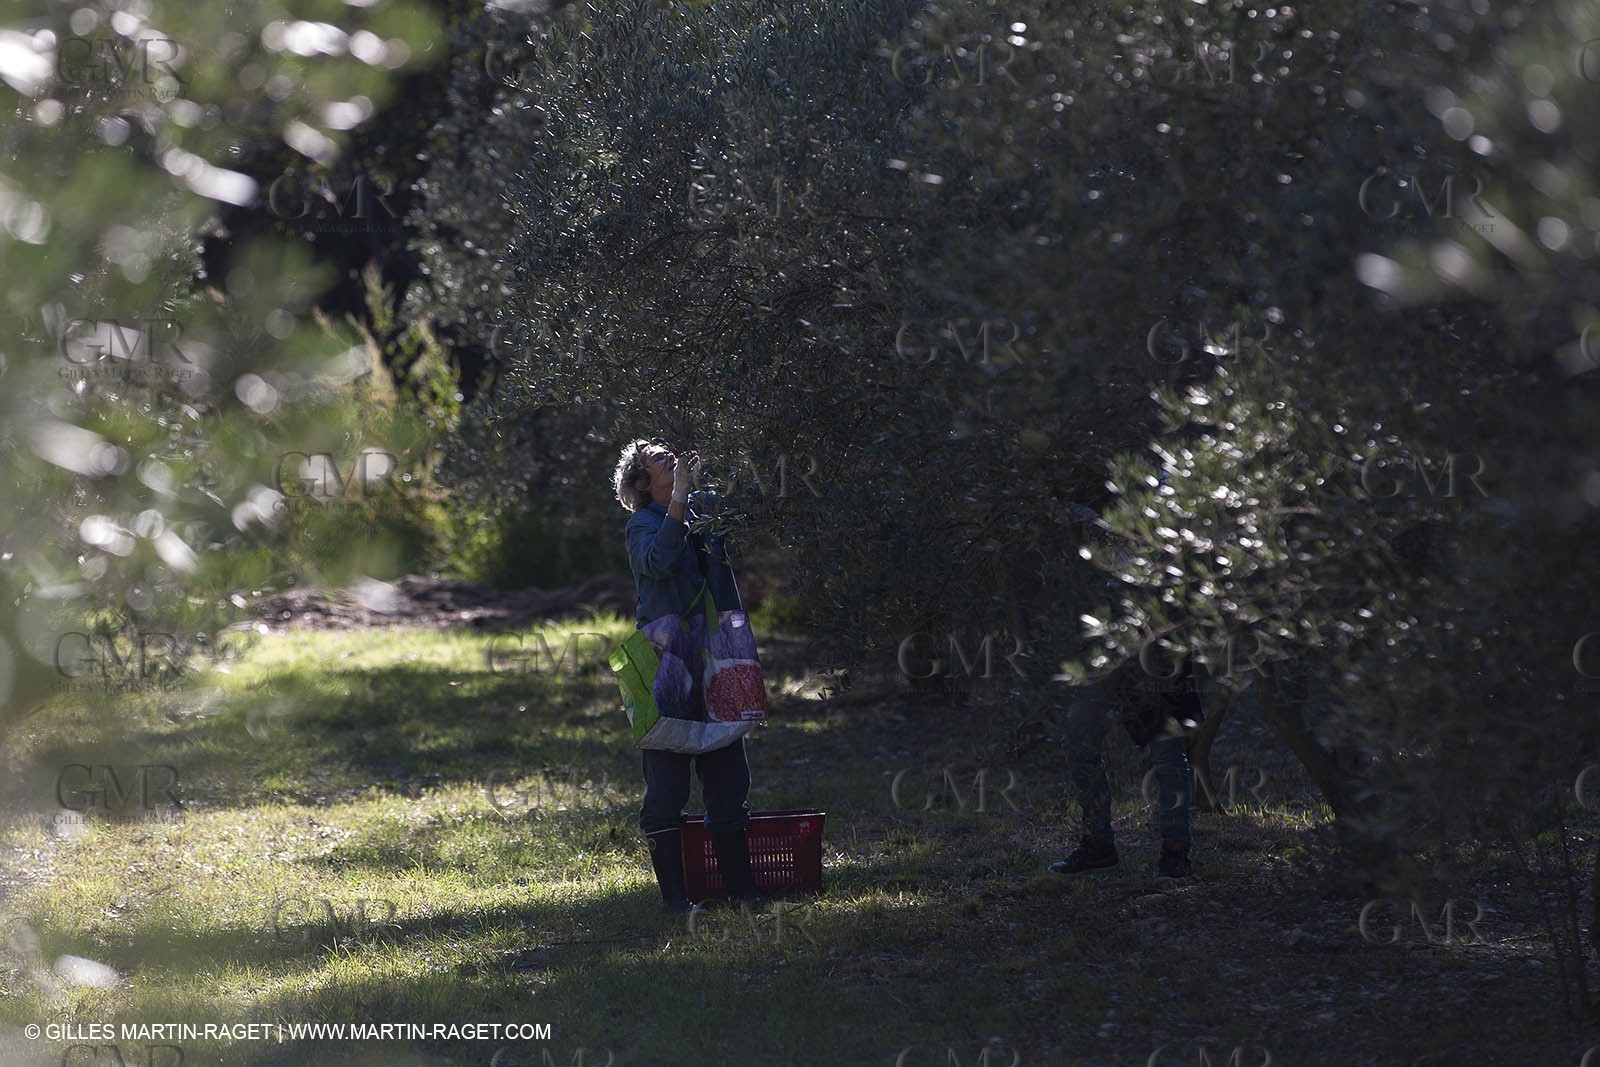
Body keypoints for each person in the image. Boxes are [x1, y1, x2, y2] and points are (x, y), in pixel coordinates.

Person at [613, 439, 766, 914]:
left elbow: (748, 514)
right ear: (643, 483)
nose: (671, 460)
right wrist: (679, 498)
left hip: (719, 650)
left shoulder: (703, 508)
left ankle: (742, 893)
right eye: (660, 460)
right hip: (667, 658)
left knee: (727, 773)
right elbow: (656, 563)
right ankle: (675, 901)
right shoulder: (642, 524)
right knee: (668, 782)